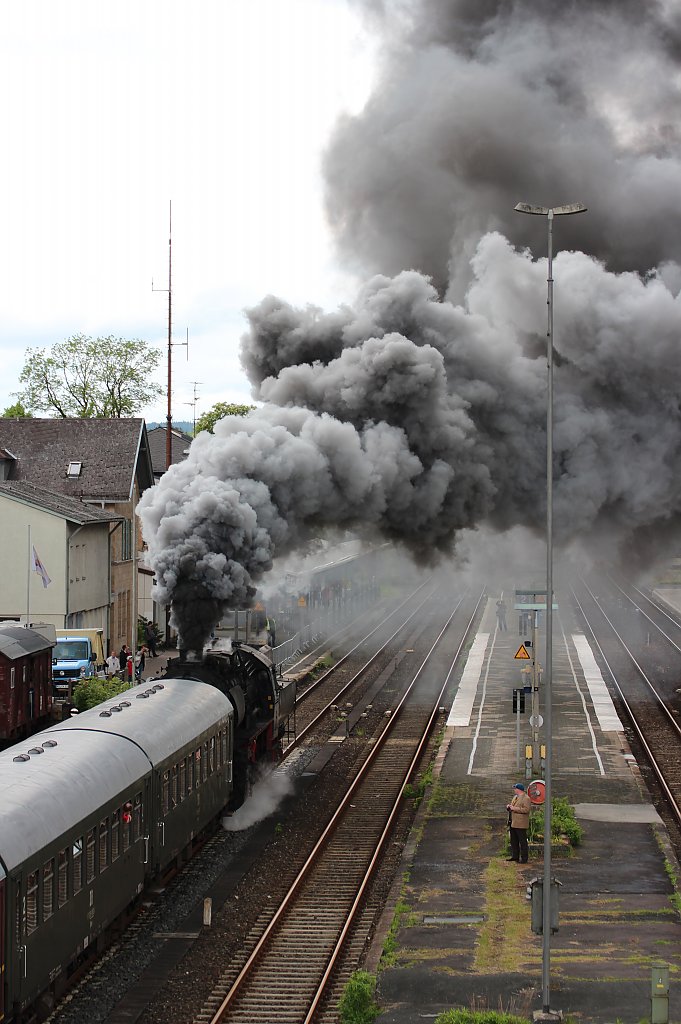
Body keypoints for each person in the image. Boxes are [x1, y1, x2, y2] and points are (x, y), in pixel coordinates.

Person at [506, 783, 532, 863]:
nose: (514, 790)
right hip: (513, 821)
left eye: (515, 788)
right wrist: (509, 807)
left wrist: (514, 808)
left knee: (522, 841)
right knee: (514, 840)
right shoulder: (515, 797)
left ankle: (524, 858)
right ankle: (515, 856)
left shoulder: (526, 798)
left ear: (519, 789)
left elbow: (526, 810)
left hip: (520, 823)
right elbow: (513, 807)